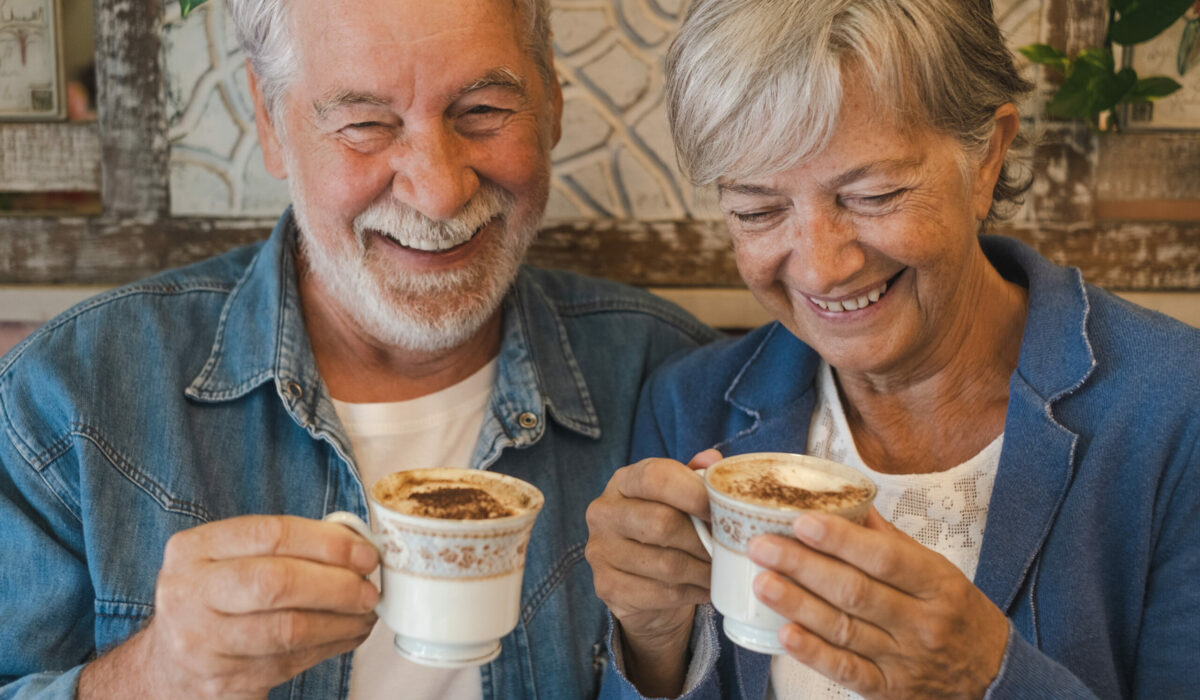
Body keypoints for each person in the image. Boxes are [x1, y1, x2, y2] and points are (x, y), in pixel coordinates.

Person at [0, 0, 718, 698]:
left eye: (483, 112)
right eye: (366, 124)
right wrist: (156, 679)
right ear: (271, 122)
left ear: (552, 101)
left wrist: (657, 645)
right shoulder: (67, 401)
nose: (437, 191)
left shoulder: (677, 380)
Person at [584, 0, 1200, 698]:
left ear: (988, 156)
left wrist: (989, 679)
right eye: (758, 210)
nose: (821, 269)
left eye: (873, 195)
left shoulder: (1178, 410)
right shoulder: (688, 405)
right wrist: (652, 638)